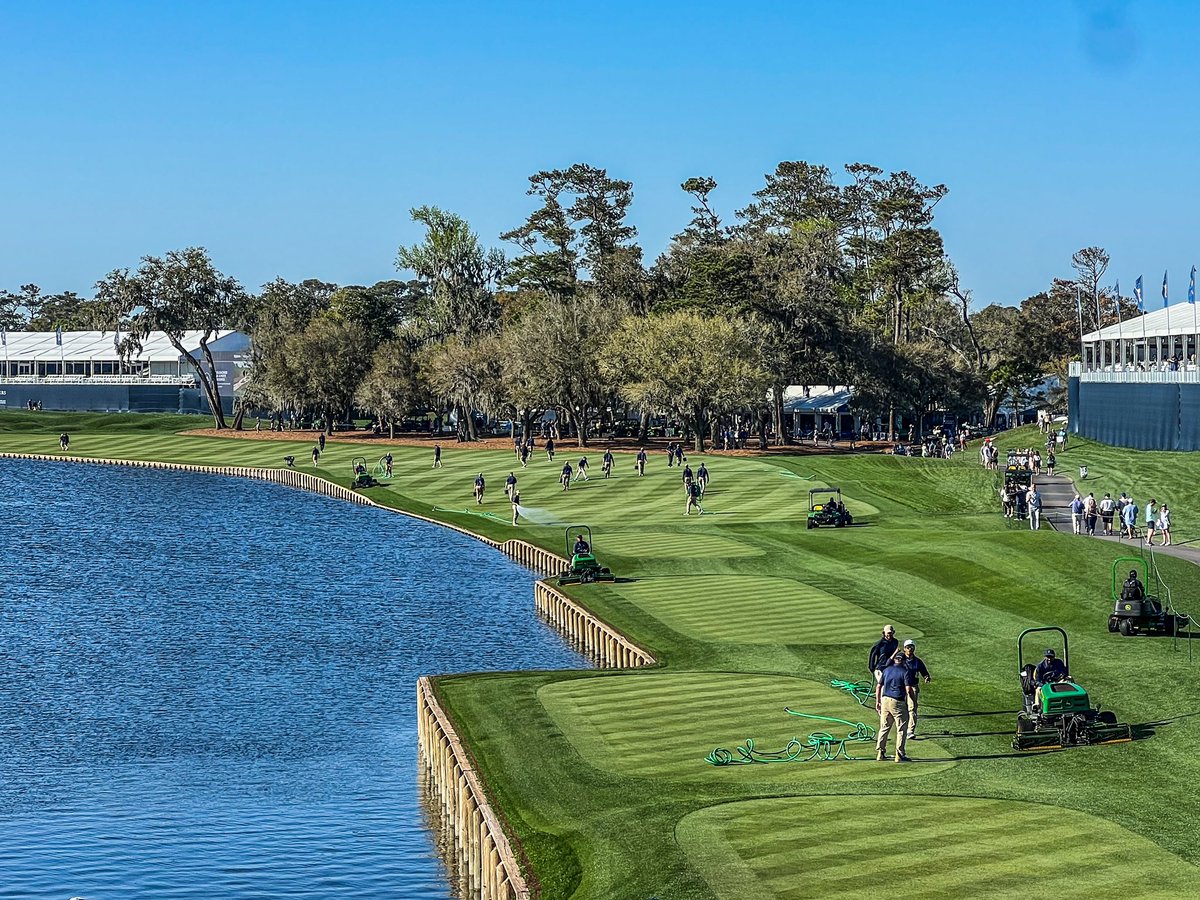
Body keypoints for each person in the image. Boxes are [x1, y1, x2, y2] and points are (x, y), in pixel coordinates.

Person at [875, 651, 916, 762]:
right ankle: (899, 754)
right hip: (897, 701)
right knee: (901, 728)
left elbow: (878, 687)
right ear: (903, 660)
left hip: (885, 700)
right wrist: (914, 701)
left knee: (884, 727)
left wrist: (877, 701)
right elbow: (908, 689)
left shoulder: (887, 670)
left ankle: (880, 752)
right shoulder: (905, 671)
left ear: (895, 659)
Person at [900, 639, 932, 739]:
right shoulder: (900, 659)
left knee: (912, 708)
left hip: (913, 686)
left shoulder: (917, 661)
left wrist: (926, 677)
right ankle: (901, 728)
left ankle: (910, 730)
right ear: (904, 649)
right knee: (901, 708)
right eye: (908, 647)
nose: (910, 649)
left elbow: (924, 671)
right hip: (901, 687)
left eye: (911, 647)